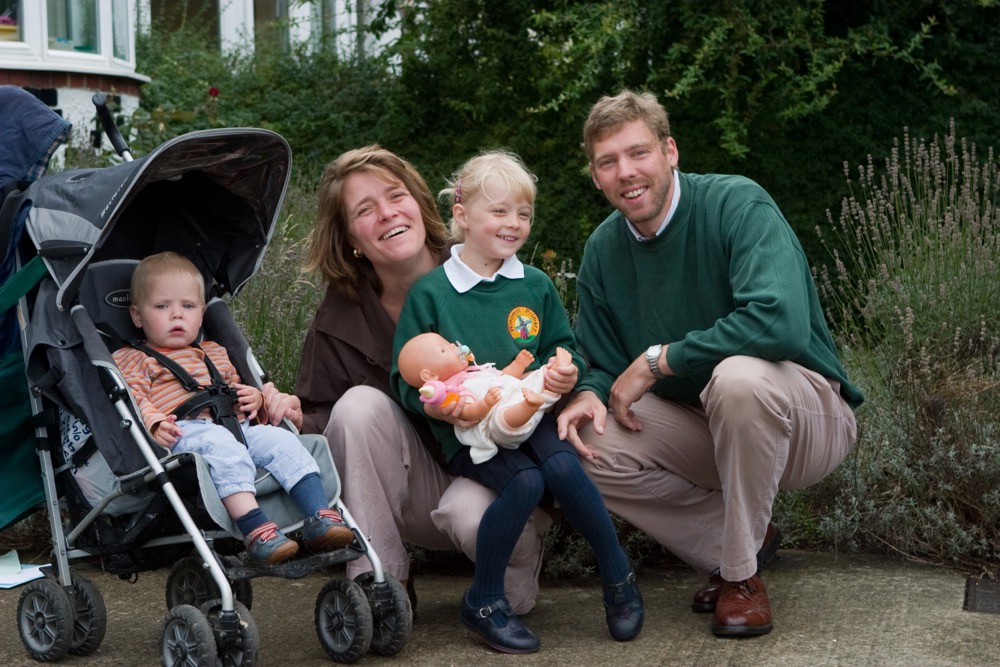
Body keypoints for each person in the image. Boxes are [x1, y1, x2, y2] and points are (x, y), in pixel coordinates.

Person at [557, 90, 864, 637]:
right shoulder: (602, 251)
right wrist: (586, 392)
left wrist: (660, 360)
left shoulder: (736, 204)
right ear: (596, 177)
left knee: (738, 378)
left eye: (638, 152)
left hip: (805, 419)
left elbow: (779, 323)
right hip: (702, 427)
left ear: (670, 151)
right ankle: (740, 541)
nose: (626, 172)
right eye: (608, 162)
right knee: (580, 441)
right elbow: (604, 364)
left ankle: (740, 579)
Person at [391, 150, 643, 654]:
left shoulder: (534, 284)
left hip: (532, 412)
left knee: (564, 468)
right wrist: (433, 405)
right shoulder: (431, 293)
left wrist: (567, 370)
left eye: (523, 214)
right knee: (526, 481)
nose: (514, 223)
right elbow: (406, 377)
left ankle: (618, 574)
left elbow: (563, 347)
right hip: (470, 430)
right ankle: (484, 601)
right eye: (499, 211)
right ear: (462, 215)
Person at [293, 145, 549, 613]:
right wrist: (289, 417)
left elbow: (545, 357)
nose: (387, 213)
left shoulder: (485, 264)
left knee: (474, 523)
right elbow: (327, 424)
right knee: (357, 406)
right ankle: (380, 582)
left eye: (396, 196)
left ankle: (518, 563)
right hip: (416, 489)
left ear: (419, 202)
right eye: (364, 210)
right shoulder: (339, 319)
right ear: (350, 238)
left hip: (501, 475)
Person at [113, 252, 354, 564]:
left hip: (236, 426)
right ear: (137, 316)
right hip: (186, 432)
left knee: (282, 441)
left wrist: (255, 399)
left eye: (188, 306)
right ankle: (255, 529)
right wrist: (155, 424)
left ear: (202, 315)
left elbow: (235, 386)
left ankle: (319, 515)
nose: (176, 315)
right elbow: (135, 399)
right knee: (224, 448)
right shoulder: (134, 357)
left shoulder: (214, 351)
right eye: (162, 306)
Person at [398, 331, 573, 463]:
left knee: (540, 377)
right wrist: (486, 403)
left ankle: (554, 371)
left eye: (449, 343)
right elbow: (468, 413)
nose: (453, 346)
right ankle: (530, 406)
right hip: (499, 420)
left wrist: (518, 365)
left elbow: (502, 377)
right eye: (444, 349)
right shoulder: (454, 391)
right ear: (430, 376)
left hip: (516, 394)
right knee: (502, 420)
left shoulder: (476, 371)